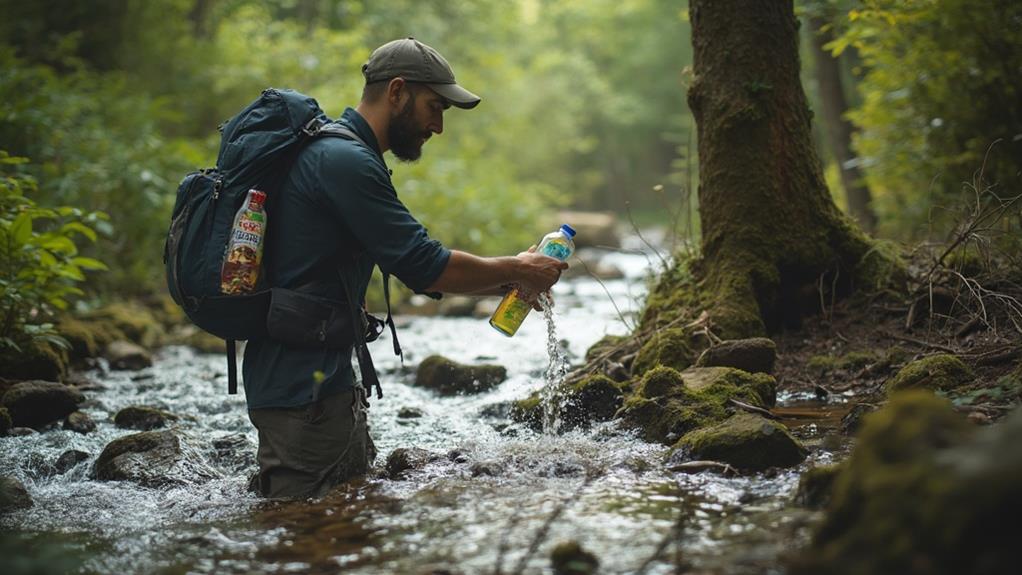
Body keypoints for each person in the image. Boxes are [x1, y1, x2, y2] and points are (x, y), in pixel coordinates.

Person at [244, 37, 568, 499]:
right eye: (434, 107)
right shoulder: (343, 162)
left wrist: (506, 279)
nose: (438, 126)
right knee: (308, 541)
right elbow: (424, 264)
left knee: (336, 526)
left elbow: (407, 260)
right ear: (396, 92)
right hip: (304, 394)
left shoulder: (340, 154)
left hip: (312, 385)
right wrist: (517, 267)